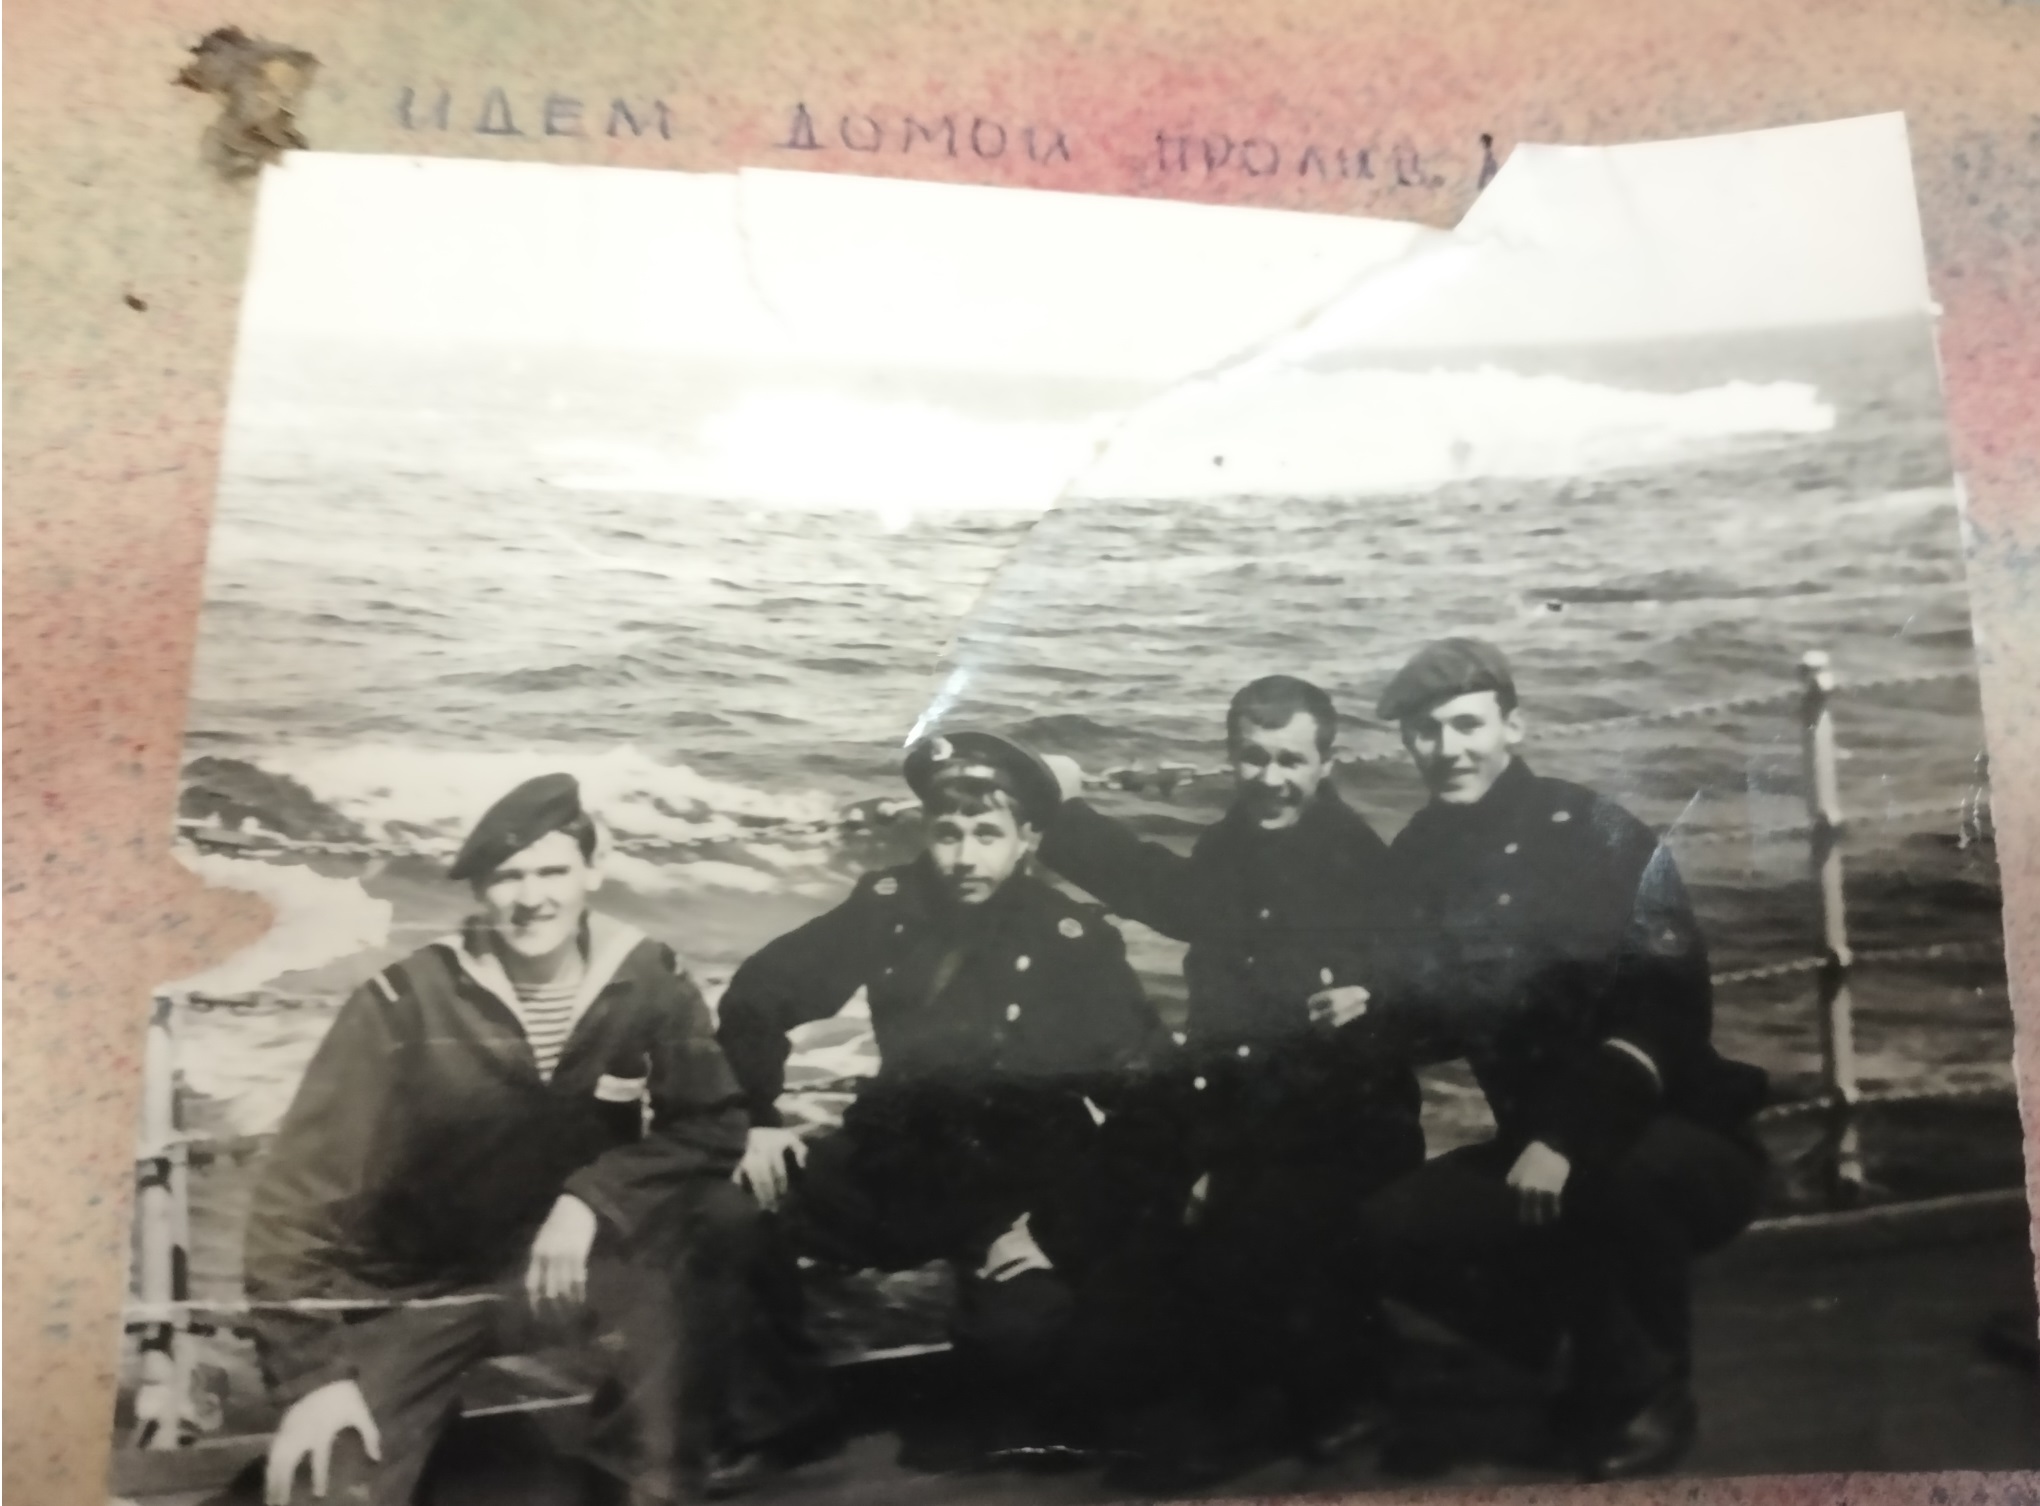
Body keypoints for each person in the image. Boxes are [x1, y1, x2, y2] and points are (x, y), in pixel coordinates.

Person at [241, 774, 755, 1506]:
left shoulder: (647, 978)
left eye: (553, 872)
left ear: (593, 871)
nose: (532, 898)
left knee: (719, 1221)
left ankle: (636, 1478)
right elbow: (293, 1203)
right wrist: (313, 1380)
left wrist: (592, 1198)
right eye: (509, 877)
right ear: (481, 889)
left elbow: (714, 1123)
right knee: (323, 1488)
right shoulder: (402, 1004)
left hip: (563, 1276)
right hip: (422, 1294)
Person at [708, 731, 1181, 1490]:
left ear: (1028, 839)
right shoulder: (891, 906)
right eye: (948, 833)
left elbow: (1155, 1100)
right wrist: (758, 1116)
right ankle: (785, 1415)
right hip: (894, 1165)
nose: (964, 857)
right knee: (727, 1212)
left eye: (987, 834)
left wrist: (1058, 1229)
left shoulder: (1072, 941)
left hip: (1018, 1186)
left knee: (1018, 1346)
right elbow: (759, 993)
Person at [1361, 638, 1769, 1481]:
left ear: (1513, 726)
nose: (1448, 749)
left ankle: (1651, 1391)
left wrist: (1566, 1136)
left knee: (1611, 1179)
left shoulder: (1593, 833)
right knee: (1387, 1229)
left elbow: (1666, 1011)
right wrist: (1366, 1011)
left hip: (1677, 1134)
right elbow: (1433, 1008)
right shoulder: (1417, 854)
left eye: (1468, 725)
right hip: (1535, 1144)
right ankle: (1561, 1336)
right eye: (1426, 732)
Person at [1033, 675, 1425, 1483]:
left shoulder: (1354, 866)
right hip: (1243, 1106)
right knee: (1095, 1207)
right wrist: (1061, 816)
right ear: (1233, 757)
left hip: (1341, 1126)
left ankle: (1316, 1395)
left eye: (1291, 760)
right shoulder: (1235, 842)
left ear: (1326, 764)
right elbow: (1171, 895)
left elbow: (1344, 1058)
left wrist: (1223, 1164)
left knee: (1237, 1240)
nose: (1271, 778)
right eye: (1254, 757)